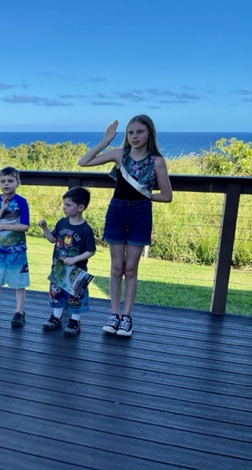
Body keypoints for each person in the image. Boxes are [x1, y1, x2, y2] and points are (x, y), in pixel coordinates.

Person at [78, 115, 172, 337]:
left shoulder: (157, 161)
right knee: (116, 267)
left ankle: (127, 317)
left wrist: (144, 195)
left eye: (140, 132)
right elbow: (84, 162)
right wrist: (105, 142)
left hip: (141, 214)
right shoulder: (120, 155)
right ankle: (114, 314)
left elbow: (166, 196)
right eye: (131, 133)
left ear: (149, 133)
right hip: (117, 212)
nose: (135, 137)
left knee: (130, 268)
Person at [38, 187, 96, 337]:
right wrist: (44, 229)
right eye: (63, 204)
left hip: (77, 271)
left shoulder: (85, 230)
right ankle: (56, 318)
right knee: (57, 294)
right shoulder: (62, 223)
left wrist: (75, 259)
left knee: (76, 297)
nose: (64, 207)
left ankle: (74, 321)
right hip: (59, 269)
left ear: (81, 207)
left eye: (68, 205)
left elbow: (91, 250)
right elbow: (53, 239)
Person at [0, 167, 30, 328]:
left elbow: (25, 226)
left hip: (17, 251)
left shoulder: (21, 202)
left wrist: (4, 227)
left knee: (19, 281)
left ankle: (19, 311)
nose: (6, 184)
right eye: (3, 181)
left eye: (10, 181)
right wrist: (2, 209)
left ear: (18, 183)